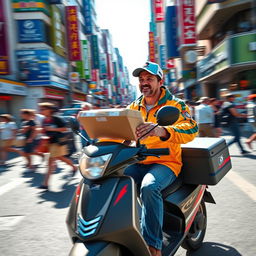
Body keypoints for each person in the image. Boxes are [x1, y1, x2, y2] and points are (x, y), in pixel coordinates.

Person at [124, 61, 198, 256]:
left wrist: (162, 130)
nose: (144, 83)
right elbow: (121, 131)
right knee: (113, 181)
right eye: (141, 80)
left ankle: (154, 246)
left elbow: (191, 128)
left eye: (149, 79)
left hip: (166, 162)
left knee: (149, 187)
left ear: (159, 81)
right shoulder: (133, 106)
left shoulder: (175, 104)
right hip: (138, 160)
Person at [38, 102, 78, 190]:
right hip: (49, 142)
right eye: (41, 109)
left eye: (43, 109)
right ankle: (74, 167)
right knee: (61, 158)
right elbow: (44, 130)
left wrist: (52, 129)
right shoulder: (44, 120)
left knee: (50, 162)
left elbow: (65, 129)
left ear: (50, 110)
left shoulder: (56, 118)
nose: (41, 111)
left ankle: (45, 184)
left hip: (57, 142)